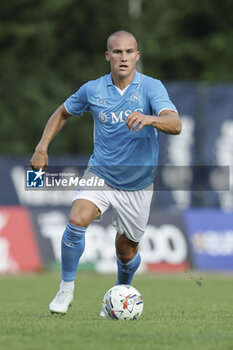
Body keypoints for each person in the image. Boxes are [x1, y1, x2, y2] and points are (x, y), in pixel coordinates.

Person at [30, 30, 181, 315]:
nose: (123, 57)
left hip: (138, 184)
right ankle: (65, 290)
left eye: (129, 52)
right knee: (77, 218)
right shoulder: (93, 89)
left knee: (126, 253)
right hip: (101, 173)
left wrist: (150, 118)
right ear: (107, 56)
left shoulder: (151, 88)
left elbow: (175, 124)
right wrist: (42, 146)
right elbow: (62, 112)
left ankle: (120, 292)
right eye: (117, 52)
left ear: (137, 56)